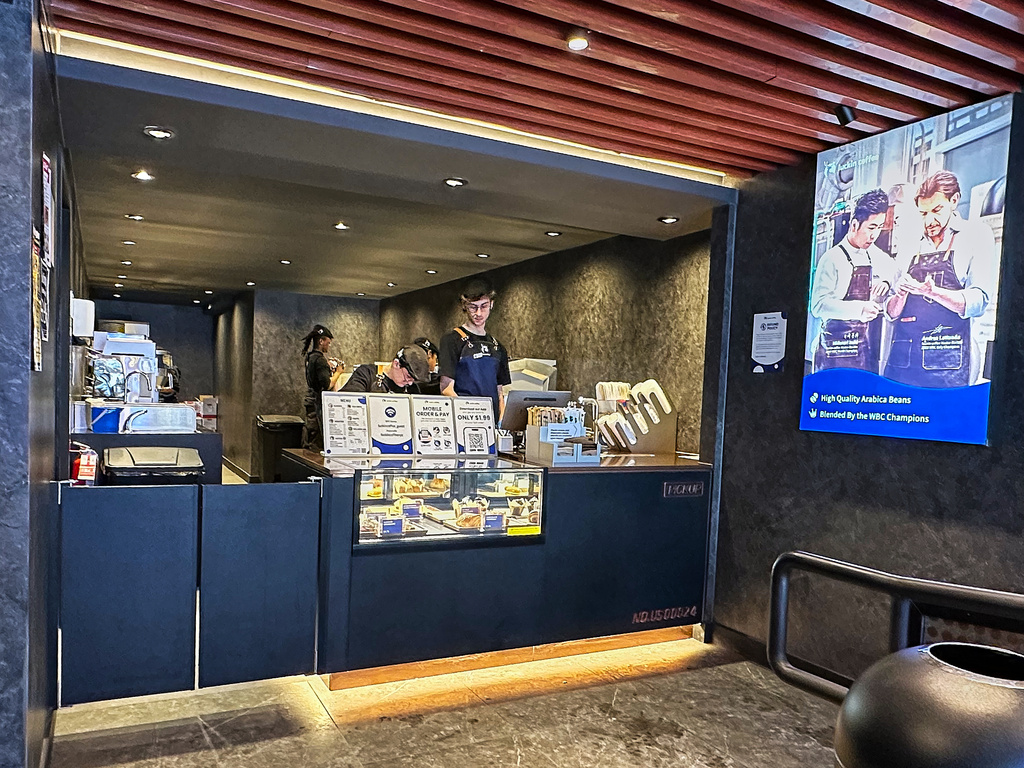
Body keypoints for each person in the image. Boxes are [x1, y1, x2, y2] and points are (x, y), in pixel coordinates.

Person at [883, 170, 998, 387]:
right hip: (903, 363)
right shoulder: (909, 242)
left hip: (947, 363)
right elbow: (889, 311)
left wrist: (931, 292)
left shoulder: (976, 235)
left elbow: (979, 301)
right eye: (923, 213)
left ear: (954, 200)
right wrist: (899, 295)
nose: (929, 221)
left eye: (936, 210)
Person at [810, 189, 895, 373]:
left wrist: (887, 282)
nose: (875, 235)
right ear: (855, 225)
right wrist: (859, 309)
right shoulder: (831, 258)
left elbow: (894, 269)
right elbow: (818, 306)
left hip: (861, 350)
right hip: (833, 351)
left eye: (879, 228)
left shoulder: (874, 255)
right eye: (871, 228)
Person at [438, 279, 511, 420]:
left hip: (492, 423)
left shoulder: (498, 347)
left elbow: (500, 392)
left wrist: (502, 422)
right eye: (473, 307)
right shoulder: (451, 340)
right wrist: (468, 415)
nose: (478, 313)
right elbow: (446, 389)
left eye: (484, 306)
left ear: (492, 305)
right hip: (464, 419)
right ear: (464, 306)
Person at [301, 324, 344, 450]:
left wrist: (327, 368)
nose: (328, 346)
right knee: (316, 438)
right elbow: (327, 385)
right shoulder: (320, 360)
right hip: (317, 403)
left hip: (310, 400)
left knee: (310, 432)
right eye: (328, 343)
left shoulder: (310, 357)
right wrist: (338, 372)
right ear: (321, 341)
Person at [341, 345, 432, 393]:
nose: (409, 383)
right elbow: (347, 402)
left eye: (413, 380)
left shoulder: (412, 389)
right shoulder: (366, 374)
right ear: (396, 364)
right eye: (408, 376)